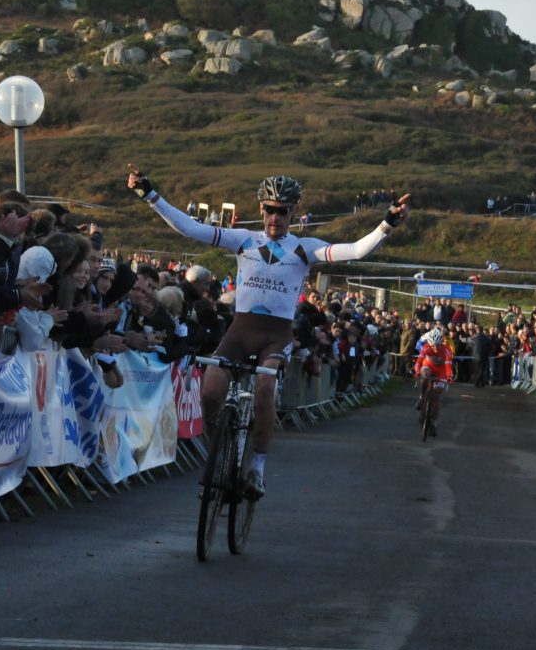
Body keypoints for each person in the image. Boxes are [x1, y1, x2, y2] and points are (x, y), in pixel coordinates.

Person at [128, 167, 410, 498]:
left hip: (276, 337)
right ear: (261, 209)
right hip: (239, 331)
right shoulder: (244, 239)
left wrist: (387, 223)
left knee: (264, 388)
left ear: (293, 213)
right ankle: (222, 444)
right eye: (270, 209)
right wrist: (149, 194)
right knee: (210, 393)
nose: (276, 217)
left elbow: (356, 250)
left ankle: (257, 468)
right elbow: (190, 228)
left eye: (284, 211)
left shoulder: (305, 248)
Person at [415, 327, 453, 438]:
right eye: (433, 346)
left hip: (441, 372)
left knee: (436, 396)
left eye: (438, 345)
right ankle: (422, 397)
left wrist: (449, 377)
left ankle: (433, 422)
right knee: (424, 375)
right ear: (429, 344)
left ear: (442, 343)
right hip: (429, 367)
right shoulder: (426, 348)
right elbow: (418, 362)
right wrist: (417, 372)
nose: (435, 348)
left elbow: (448, 366)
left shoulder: (447, 350)